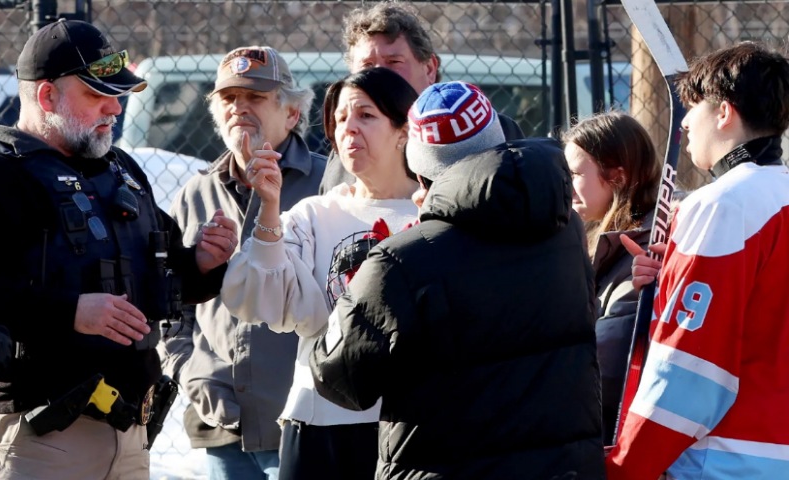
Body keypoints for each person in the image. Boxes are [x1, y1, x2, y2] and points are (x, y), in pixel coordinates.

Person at [309, 80, 605, 479]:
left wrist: (371, 281)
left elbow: (340, 378)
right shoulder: (564, 226)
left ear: (421, 169)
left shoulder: (402, 262)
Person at [0, 19, 235, 480]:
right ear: (46, 97)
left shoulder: (121, 169)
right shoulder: (1, 175)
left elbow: (162, 276)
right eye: (96, 95)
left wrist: (202, 262)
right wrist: (70, 311)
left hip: (132, 433)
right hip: (45, 437)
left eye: (117, 94)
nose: (115, 107)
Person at [220, 66, 420, 479]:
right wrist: (270, 207)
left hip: (414, 424)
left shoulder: (433, 216)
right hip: (322, 422)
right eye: (341, 118)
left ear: (404, 130)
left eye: (365, 116)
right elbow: (261, 300)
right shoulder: (314, 214)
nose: (349, 129)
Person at [606, 41, 789, 480]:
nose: (685, 122)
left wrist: (625, 466)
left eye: (694, 107)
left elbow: (693, 370)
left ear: (724, 113)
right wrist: (670, 280)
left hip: (723, 460)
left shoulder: (721, 205)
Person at [157, 46, 325, 480]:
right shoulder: (195, 193)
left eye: (255, 98)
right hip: (219, 425)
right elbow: (168, 298)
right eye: (229, 99)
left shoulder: (330, 185)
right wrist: (188, 369)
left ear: (291, 113)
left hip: (303, 423)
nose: (239, 109)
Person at [318, 0, 525, 193]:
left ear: (429, 69)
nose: (379, 76)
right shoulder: (347, 149)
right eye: (367, 66)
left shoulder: (482, 130)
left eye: (394, 62)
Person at [561, 111, 660, 446]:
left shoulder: (644, 249)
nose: (566, 184)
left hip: (615, 437)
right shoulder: (598, 239)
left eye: (574, 173)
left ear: (616, 175)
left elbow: (606, 369)